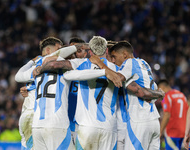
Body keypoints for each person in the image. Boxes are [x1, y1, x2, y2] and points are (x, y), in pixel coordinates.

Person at [33, 36, 165, 150]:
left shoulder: (80, 63)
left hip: (86, 128)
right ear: (107, 51)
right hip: (109, 128)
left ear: (90, 51)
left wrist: (39, 68)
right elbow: (136, 89)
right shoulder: (116, 69)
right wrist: (159, 94)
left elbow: (53, 64)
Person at [15, 36, 87, 150]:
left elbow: (19, 77)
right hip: (53, 121)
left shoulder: (38, 66)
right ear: (49, 51)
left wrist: (29, 88)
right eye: (59, 48)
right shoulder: (62, 64)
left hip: (37, 122)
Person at [90, 41, 163, 150]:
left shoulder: (129, 63)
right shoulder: (144, 63)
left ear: (124, 54)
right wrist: (160, 93)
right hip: (154, 121)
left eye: (114, 56)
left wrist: (100, 63)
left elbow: (117, 78)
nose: (113, 60)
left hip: (139, 120)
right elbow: (153, 89)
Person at [158, 79, 189, 150]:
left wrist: (160, 132)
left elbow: (166, 115)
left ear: (162, 87)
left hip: (172, 132)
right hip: (183, 132)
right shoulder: (182, 95)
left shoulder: (166, 96)